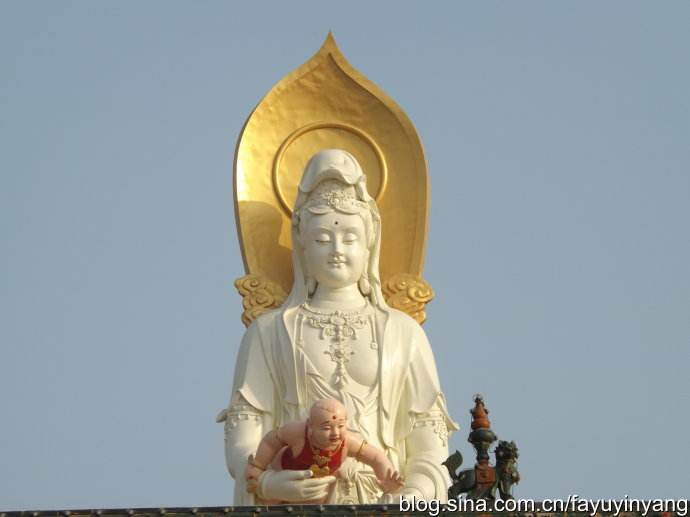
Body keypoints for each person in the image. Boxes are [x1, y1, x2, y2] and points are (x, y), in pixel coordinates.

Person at [219, 149, 458, 504]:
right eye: (321, 239)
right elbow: (245, 432)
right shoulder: (269, 333)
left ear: (370, 241)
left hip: (384, 501)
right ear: (301, 243)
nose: (336, 250)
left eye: (349, 238)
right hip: (296, 502)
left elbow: (430, 441)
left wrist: (414, 494)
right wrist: (267, 483)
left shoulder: (403, 333)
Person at [244, 398, 403, 503]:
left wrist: (387, 478)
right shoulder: (297, 433)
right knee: (270, 505)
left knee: (318, 502)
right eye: (327, 428)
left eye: (341, 426)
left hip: (320, 483)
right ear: (311, 427)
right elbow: (271, 441)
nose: (335, 433)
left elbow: (375, 457)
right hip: (283, 472)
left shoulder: (348, 441)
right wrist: (258, 467)